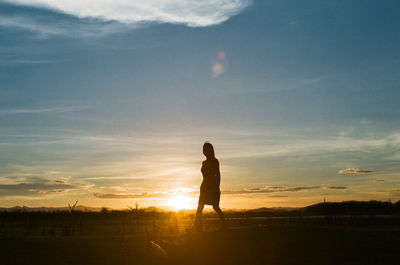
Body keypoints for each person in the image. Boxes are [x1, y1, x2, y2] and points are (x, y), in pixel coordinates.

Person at [193, 142, 227, 231]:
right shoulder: (203, 163)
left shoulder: (215, 161)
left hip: (212, 187)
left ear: (210, 150)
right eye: (204, 149)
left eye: (206, 149)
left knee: (215, 206)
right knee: (200, 207)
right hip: (204, 187)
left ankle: (225, 225)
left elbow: (218, 175)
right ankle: (196, 227)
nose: (205, 151)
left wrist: (216, 187)